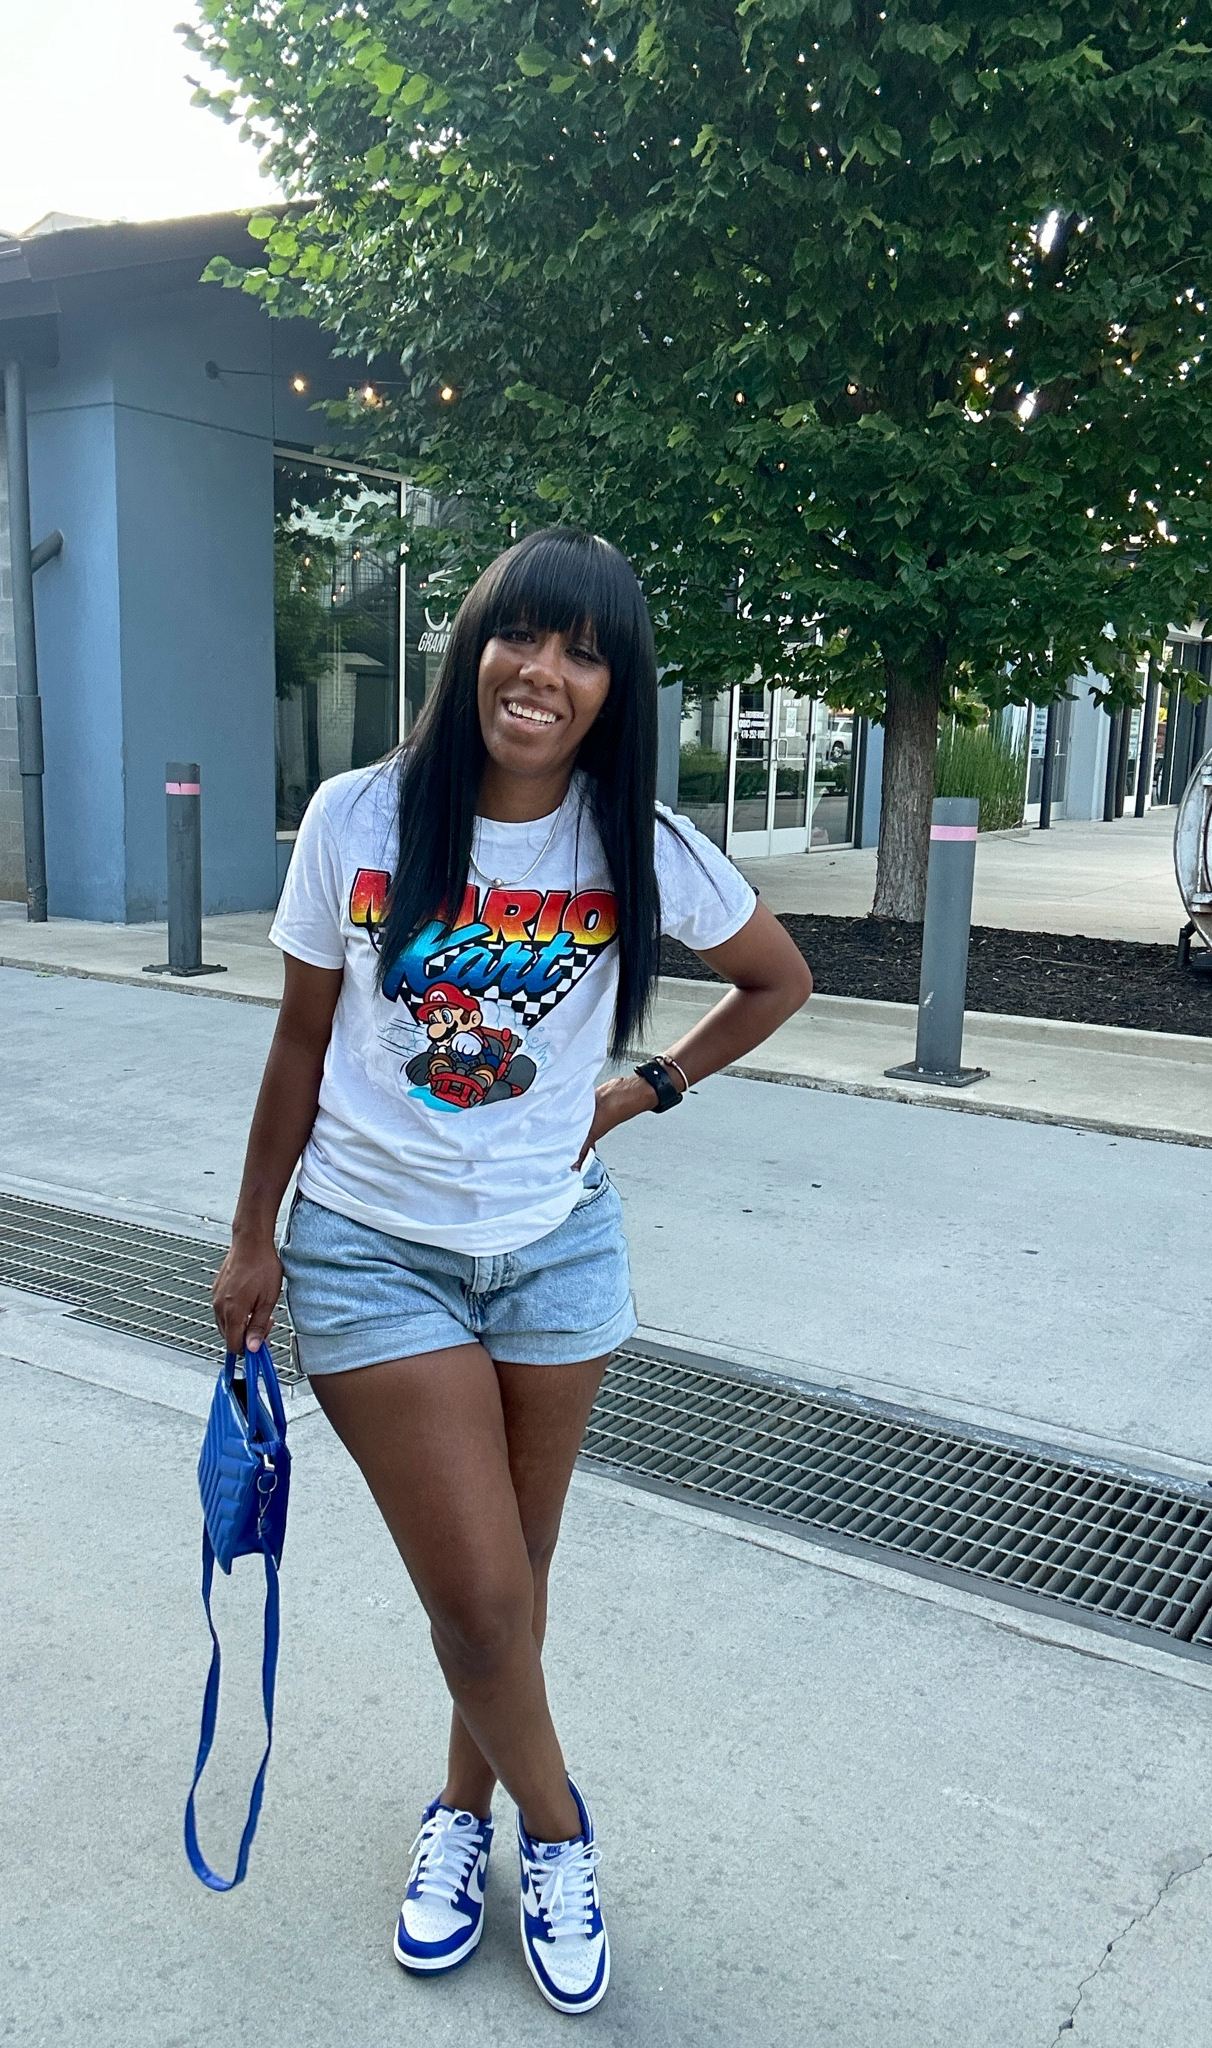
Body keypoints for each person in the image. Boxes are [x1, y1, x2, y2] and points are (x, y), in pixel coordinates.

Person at [214, 528, 812, 2015]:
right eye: (520, 636)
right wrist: (251, 1237)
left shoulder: (641, 847)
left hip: (555, 1252)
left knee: (515, 1591)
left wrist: (648, 1086)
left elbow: (777, 980)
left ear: (617, 688)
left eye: (583, 650)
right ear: (473, 646)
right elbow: (299, 1043)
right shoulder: (360, 819)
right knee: (480, 1601)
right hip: (369, 1251)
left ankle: (458, 1817)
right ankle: (560, 1834)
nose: (543, 672)